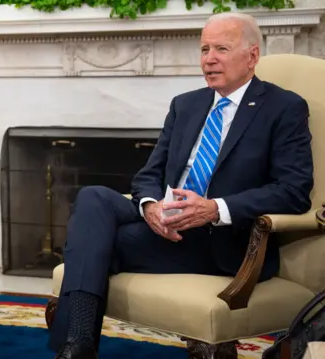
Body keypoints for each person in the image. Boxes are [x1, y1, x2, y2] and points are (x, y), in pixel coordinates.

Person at [49, 12, 313, 359]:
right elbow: (149, 174)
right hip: (168, 228)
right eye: (204, 49)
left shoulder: (284, 108)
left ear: (251, 56)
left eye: (221, 48)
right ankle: (79, 345)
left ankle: (75, 346)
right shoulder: (186, 104)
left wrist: (214, 208)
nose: (209, 59)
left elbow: (293, 190)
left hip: (225, 240)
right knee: (93, 196)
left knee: (91, 240)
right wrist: (150, 207)